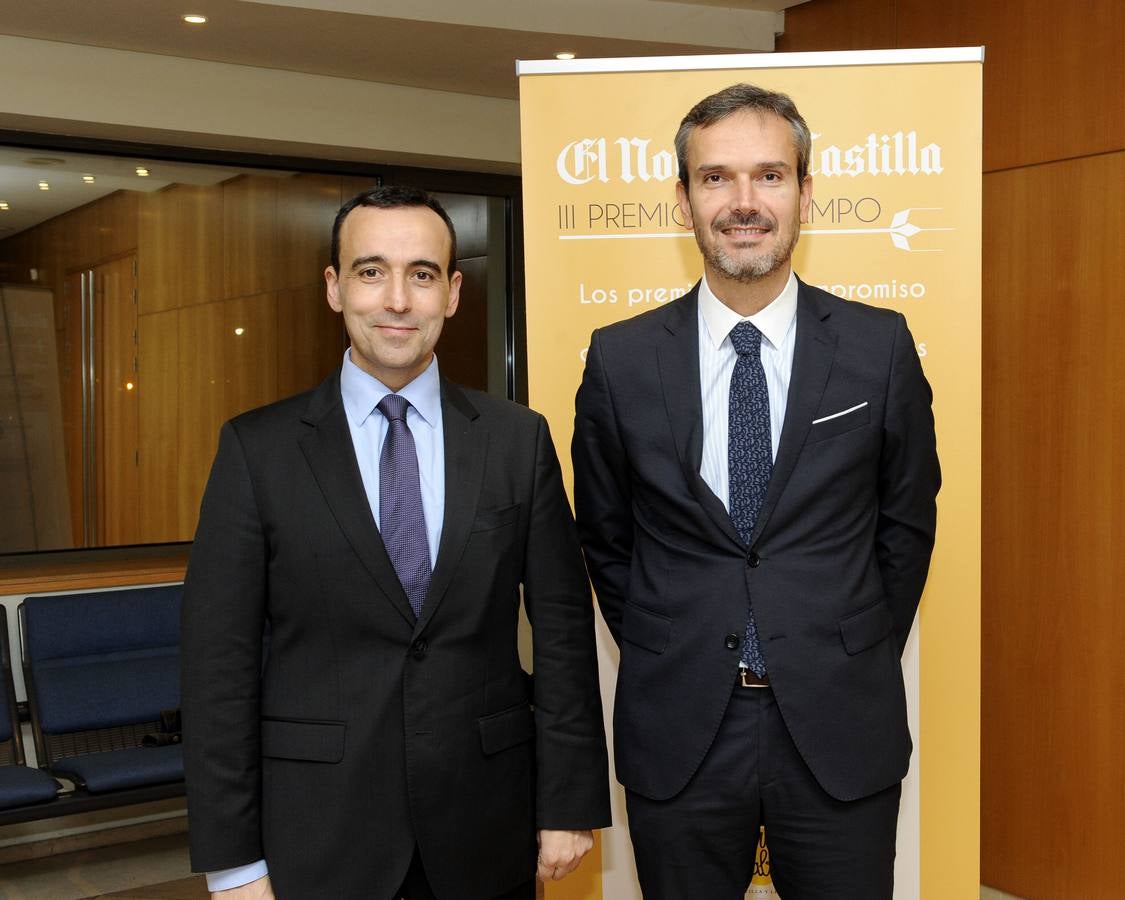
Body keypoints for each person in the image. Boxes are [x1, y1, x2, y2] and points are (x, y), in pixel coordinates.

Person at [182, 186, 610, 900]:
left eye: (422, 274)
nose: (397, 300)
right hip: (317, 834)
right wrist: (233, 861)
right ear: (334, 287)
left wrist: (568, 803)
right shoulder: (257, 450)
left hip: (486, 826)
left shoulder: (515, 440)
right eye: (371, 270)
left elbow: (563, 634)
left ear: (452, 293)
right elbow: (216, 665)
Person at [571, 83, 940, 899]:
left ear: (805, 192)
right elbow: (605, 536)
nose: (744, 202)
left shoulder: (877, 349)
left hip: (839, 722)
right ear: (682, 199)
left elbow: (905, 523)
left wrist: (846, 639)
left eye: (769, 176)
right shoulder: (620, 360)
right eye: (716, 178)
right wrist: (675, 639)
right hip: (681, 728)